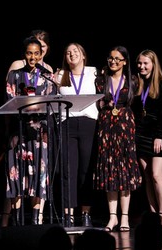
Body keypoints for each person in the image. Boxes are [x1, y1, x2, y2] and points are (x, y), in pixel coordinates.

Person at [2, 29, 54, 226]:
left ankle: (35, 221)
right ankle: (17, 222)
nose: (33, 57)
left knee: (38, 176)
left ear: (41, 55)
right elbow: (9, 100)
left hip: (40, 134)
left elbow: (51, 103)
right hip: (19, 131)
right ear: (25, 54)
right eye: (29, 53)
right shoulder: (15, 75)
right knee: (17, 175)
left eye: (36, 53)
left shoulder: (47, 76)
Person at [94, 46, 142, 232]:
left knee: (124, 170)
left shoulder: (132, 81)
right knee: (110, 170)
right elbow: (97, 103)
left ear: (124, 61)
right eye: (110, 58)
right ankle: (112, 217)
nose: (113, 61)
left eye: (117, 59)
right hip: (106, 126)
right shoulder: (100, 80)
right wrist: (103, 103)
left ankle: (124, 217)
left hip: (125, 126)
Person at [53, 42, 98, 227]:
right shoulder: (60, 75)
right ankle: (68, 214)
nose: (71, 54)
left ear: (84, 55)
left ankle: (86, 213)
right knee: (67, 171)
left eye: (75, 51)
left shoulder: (94, 72)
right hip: (66, 123)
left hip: (89, 123)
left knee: (86, 171)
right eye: (67, 52)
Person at [132, 49, 162, 230]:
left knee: (156, 175)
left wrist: (159, 136)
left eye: (145, 63)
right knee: (147, 176)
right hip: (140, 133)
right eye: (139, 63)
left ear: (153, 65)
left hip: (158, 134)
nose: (141, 66)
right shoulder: (136, 83)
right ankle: (153, 214)